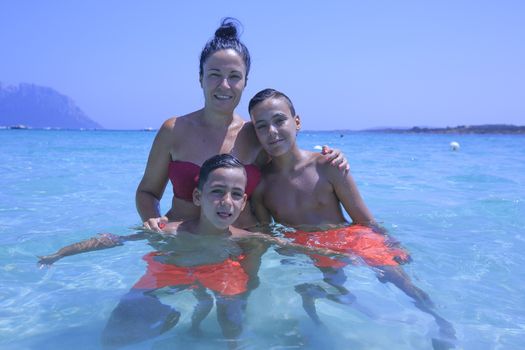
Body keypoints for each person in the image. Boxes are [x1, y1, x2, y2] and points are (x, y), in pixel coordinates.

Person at [39, 154, 352, 349]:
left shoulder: (245, 237)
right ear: (199, 196)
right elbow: (112, 239)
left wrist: (343, 255)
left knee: (231, 316)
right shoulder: (170, 230)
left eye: (235, 195)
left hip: (222, 273)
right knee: (114, 336)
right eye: (217, 192)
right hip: (171, 270)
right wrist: (59, 254)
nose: (226, 202)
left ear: (244, 203)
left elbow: (288, 244)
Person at [248, 88, 456, 349]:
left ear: (297, 122)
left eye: (279, 121)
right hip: (305, 245)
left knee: (399, 279)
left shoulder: (328, 165)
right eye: (262, 126)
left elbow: (364, 220)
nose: (272, 132)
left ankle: (439, 322)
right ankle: (319, 331)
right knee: (315, 292)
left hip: (348, 237)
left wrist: (390, 244)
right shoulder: (262, 186)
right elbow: (269, 233)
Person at [135, 18, 348, 233]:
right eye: (214, 75)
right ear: (200, 78)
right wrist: (153, 221)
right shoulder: (174, 130)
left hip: (242, 248)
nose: (224, 85)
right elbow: (147, 192)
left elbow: (292, 171)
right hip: (181, 244)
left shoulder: (256, 133)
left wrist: (330, 159)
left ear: (245, 82)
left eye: (234, 76)